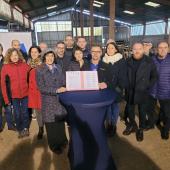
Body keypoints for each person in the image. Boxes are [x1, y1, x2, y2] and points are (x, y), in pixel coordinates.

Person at [123, 42, 158, 142]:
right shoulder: (127, 61)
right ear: (132, 50)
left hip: (143, 91)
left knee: (142, 112)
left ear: (143, 50)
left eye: (139, 49)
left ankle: (141, 129)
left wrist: (147, 86)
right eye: (135, 49)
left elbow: (154, 76)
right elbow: (123, 75)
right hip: (130, 91)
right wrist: (126, 85)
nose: (137, 51)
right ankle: (132, 126)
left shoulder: (149, 61)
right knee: (130, 110)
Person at [36, 49, 68, 154]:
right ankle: (54, 145)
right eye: (48, 56)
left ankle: (62, 140)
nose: (50, 58)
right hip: (48, 101)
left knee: (60, 122)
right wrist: (56, 90)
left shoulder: (58, 67)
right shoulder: (39, 69)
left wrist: (67, 85)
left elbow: (63, 80)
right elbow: (41, 87)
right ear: (44, 57)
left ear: (54, 57)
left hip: (59, 100)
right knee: (51, 125)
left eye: (52, 56)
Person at [1, 48, 30, 138]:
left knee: (25, 112)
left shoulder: (25, 65)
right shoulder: (6, 67)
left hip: (25, 94)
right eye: (12, 55)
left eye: (16, 55)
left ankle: (25, 128)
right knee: (17, 114)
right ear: (9, 56)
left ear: (19, 55)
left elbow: (32, 74)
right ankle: (20, 128)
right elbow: (2, 84)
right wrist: (6, 99)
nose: (14, 57)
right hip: (14, 96)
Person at [150, 41, 170, 140]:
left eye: (165, 47)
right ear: (157, 49)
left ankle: (166, 130)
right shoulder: (152, 60)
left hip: (167, 91)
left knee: (167, 113)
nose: (162, 50)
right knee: (153, 110)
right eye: (160, 47)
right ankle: (157, 120)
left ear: (168, 49)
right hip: (153, 90)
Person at [102, 42, 124, 136]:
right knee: (107, 108)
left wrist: (119, 87)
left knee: (115, 107)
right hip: (106, 88)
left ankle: (113, 125)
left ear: (116, 49)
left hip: (116, 88)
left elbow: (123, 75)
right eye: (108, 48)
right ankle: (109, 124)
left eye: (112, 48)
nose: (110, 50)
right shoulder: (103, 60)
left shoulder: (121, 60)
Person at [27, 46, 44, 140]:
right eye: (32, 52)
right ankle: (40, 128)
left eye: (35, 52)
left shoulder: (43, 64)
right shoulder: (27, 64)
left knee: (44, 110)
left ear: (39, 53)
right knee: (37, 111)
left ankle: (48, 127)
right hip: (32, 91)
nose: (33, 54)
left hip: (41, 91)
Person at [0, 44, 15, 132]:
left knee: (8, 109)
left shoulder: (6, 61)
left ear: (2, 50)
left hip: (6, 89)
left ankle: (11, 125)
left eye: (0, 49)